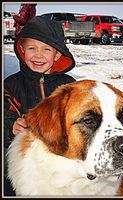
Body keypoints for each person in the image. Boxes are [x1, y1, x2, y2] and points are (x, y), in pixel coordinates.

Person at [4, 16, 76, 196]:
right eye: (31, 48)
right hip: (22, 159)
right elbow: (4, 111)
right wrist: (11, 125)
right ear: (21, 49)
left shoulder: (69, 86)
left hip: (60, 158)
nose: (38, 55)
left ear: (57, 54)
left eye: (46, 49)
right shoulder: (11, 85)